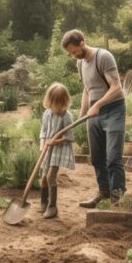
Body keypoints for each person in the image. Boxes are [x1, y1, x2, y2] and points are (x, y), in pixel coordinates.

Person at [61, 29, 126, 207]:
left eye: (74, 51)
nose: (74, 56)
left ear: (82, 42)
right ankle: (103, 192)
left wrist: (97, 105)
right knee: (97, 158)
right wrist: (84, 113)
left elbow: (116, 87)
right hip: (94, 114)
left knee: (113, 157)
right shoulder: (80, 64)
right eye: (70, 53)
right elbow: (87, 89)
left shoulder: (103, 57)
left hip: (114, 110)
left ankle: (118, 198)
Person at [38, 83, 76, 219]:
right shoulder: (47, 114)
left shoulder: (67, 116)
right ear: (49, 101)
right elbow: (43, 130)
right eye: (53, 102)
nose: (56, 106)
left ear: (64, 102)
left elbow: (70, 137)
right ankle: (44, 203)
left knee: (50, 177)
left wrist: (55, 141)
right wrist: (43, 144)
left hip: (58, 151)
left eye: (59, 103)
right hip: (47, 149)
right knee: (43, 178)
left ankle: (53, 207)